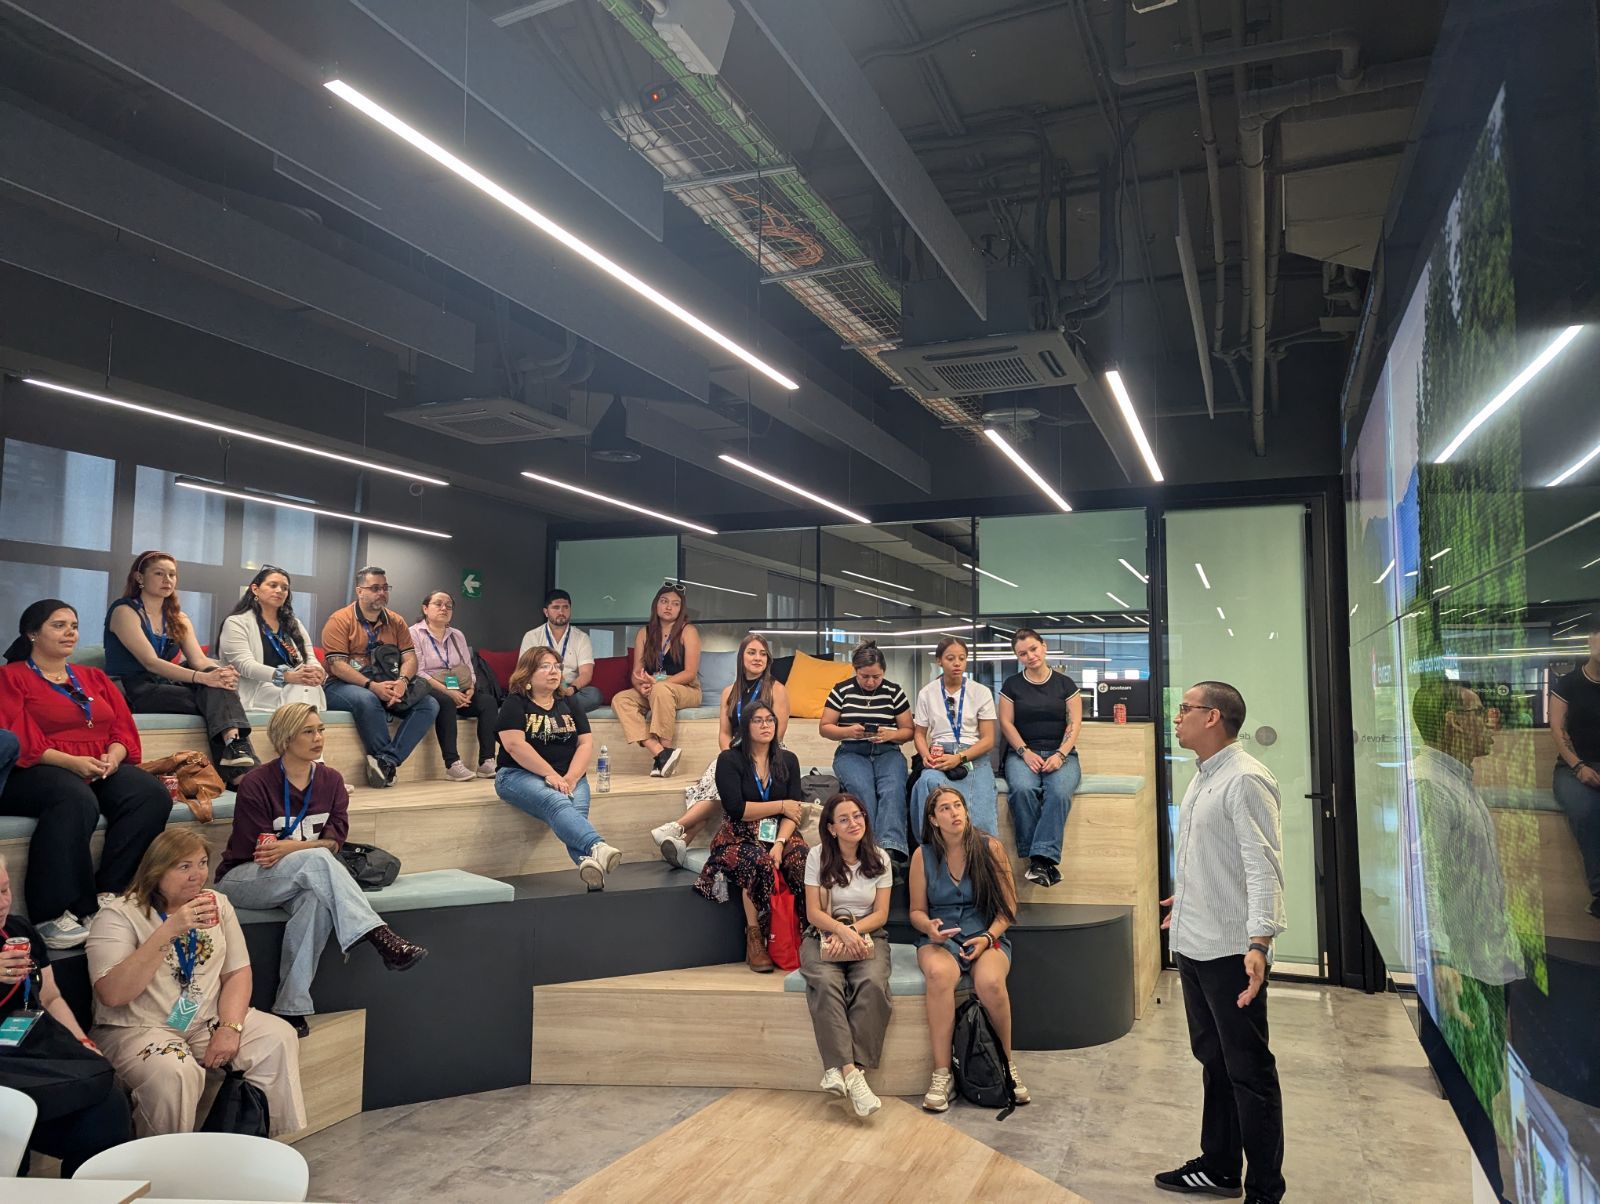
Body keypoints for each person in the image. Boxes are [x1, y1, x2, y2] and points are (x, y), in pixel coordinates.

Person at [214, 703, 427, 1036]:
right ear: (286, 739)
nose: (318, 738)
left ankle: (290, 1007)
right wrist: (302, 850)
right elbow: (264, 853)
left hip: (301, 876)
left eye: (321, 729)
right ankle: (378, 935)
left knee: (316, 901)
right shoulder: (257, 782)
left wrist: (293, 847)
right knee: (316, 861)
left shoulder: (331, 780)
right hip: (245, 877)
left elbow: (335, 842)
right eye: (308, 731)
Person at [86, 829, 306, 1138]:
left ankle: (264, 1145)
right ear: (156, 870)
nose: (197, 875)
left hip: (203, 1021)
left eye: (202, 863)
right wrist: (170, 930)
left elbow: (237, 973)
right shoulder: (119, 915)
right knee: (176, 1072)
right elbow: (113, 993)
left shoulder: (217, 903)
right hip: (136, 1028)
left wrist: (230, 1028)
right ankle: (165, 1165)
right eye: (183, 866)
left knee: (277, 1037)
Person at [1156, 680, 1286, 1204]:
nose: (1177, 717)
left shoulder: (1246, 779)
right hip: (1194, 940)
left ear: (1213, 718)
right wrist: (1184, 898)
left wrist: (1259, 942)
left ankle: (1264, 1189)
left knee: (1249, 1071)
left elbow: (1263, 867)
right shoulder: (1203, 776)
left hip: (1231, 951)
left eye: (1185, 709)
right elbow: (1215, 858)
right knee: (1214, 1059)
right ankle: (1219, 1166)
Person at [0, 600, 170, 949]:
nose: (70, 633)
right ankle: (53, 912)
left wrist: (113, 755)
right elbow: (17, 737)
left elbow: (122, 727)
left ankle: (111, 892)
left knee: (149, 794)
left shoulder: (93, 677)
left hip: (98, 763)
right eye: (58, 625)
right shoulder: (11, 676)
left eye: (74, 626)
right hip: (36, 768)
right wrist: (70, 763)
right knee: (73, 797)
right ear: (33, 633)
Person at [1410, 676, 1523, 1200]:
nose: (1490, 721)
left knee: (1486, 1088)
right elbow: (1424, 876)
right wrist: (1440, 958)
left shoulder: (1457, 779)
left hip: (1481, 961)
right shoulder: (1432, 784)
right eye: (1480, 712)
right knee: (1470, 1100)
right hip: (1463, 971)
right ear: (1455, 722)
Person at [0, 853, 134, 1176]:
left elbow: (51, 996)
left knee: (109, 1108)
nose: (1, 903)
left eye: (4, 890)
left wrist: (81, 1039)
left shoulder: (17, 930)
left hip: (27, 1052)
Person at [907, 784, 1027, 1113]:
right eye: (945, 808)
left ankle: (1006, 1065)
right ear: (933, 819)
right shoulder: (923, 855)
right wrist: (929, 928)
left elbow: (1008, 909)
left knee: (989, 982)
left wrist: (988, 937)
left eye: (958, 805)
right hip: (940, 939)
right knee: (939, 974)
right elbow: (916, 911)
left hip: (986, 935)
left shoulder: (990, 847)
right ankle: (942, 1072)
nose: (954, 812)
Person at [104, 550, 257, 772]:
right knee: (215, 699)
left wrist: (220, 673)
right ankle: (240, 770)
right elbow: (151, 662)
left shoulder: (178, 617)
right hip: (135, 688)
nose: (168, 580)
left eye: (172, 575)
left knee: (217, 689)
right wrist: (205, 677)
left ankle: (235, 749)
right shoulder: (124, 611)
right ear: (139, 578)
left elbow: (198, 659)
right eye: (159, 574)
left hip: (167, 684)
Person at [649, 633, 790, 865]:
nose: (758, 658)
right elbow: (724, 733)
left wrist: (747, 756)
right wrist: (730, 756)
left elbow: (778, 733)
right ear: (741, 657)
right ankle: (682, 842)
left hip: (768, 752)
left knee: (719, 784)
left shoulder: (777, 690)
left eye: (763, 654)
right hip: (735, 751)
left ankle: (678, 828)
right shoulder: (729, 692)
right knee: (721, 775)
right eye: (752, 652)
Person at [693, 702, 807, 972]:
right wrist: (780, 806)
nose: (766, 725)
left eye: (770, 720)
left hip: (780, 831)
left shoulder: (788, 759)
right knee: (759, 862)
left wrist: (780, 843)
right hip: (739, 834)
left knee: (803, 859)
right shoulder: (729, 760)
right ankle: (754, 937)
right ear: (746, 726)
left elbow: (795, 811)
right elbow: (738, 809)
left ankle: (808, 930)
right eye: (758, 720)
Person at [495, 647, 621, 890]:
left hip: (569, 775)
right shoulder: (515, 703)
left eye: (556, 666)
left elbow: (585, 743)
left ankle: (587, 863)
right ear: (527, 673)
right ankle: (598, 847)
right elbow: (514, 746)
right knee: (558, 803)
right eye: (544, 666)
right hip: (517, 775)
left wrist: (572, 777)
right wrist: (550, 775)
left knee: (575, 813)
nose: (553, 671)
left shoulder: (569, 701)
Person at [799, 792, 892, 1120]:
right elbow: (813, 912)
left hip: (867, 933)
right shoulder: (817, 856)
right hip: (823, 934)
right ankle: (853, 1075)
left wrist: (853, 932)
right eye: (844, 819)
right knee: (825, 982)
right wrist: (839, 932)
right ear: (832, 828)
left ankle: (840, 1070)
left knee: (872, 982)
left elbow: (881, 914)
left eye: (858, 816)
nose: (854, 823)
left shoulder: (880, 857)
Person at [320, 566, 441, 789]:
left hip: (388, 681)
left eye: (385, 588)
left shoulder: (396, 621)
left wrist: (402, 682)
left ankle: (386, 761)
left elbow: (411, 659)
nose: (382, 592)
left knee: (429, 704)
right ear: (359, 591)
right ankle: (385, 765)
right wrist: (372, 686)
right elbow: (337, 666)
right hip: (342, 685)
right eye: (375, 588)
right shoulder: (339, 620)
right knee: (367, 699)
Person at [998, 628, 1083, 887]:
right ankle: (1043, 861)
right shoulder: (1012, 685)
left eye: (1033, 649)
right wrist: (1025, 752)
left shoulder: (1065, 684)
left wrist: (1060, 754)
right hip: (1022, 753)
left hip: (1062, 753)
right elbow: (1006, 722)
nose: (1030, 656)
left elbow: (1075, 723)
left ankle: (1038, 860)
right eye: (1022, 653)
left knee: (1058, 792)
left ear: (1043, 647)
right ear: (1017, 657)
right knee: (1023, 789)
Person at [819, 641, 913, 873]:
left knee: (892, 790)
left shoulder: (894, 691)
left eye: (876, 677)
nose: (871, 682)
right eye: (864, 677)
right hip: (852, 752)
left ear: (884, 672)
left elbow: (908, 731)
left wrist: (891, 734)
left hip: (887, 751)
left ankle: (890, 852)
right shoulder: (841, 690)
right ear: (855, 670)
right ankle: (867, 849)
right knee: (863, 793)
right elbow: (825, 727)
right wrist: (848, 731)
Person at [910, 636, 998, 836]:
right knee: (926, 782)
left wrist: (959, 758)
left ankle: (982, 861)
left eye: (962, 658)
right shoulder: (927, 693)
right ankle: (929, 849)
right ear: (939, 661)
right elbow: (920, 734)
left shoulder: (981, 692)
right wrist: (926, 756)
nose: (957, 663)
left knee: (980, 817)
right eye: (950, 658)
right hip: (940, 754)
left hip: (972, 757)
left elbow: (988, 739)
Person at [612, 582, 701, 777]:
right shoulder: (644, 633)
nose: (669, 607)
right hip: (653, 687)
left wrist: (658, 684)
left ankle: (666, 748)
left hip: (686, 688)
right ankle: (661, 753)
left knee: (661, 690)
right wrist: (641, 685)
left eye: (675, 604)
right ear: (656, 605)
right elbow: (637, 672)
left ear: (681, 609)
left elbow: (690, 672)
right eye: (664, 601)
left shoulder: (688, 631)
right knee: (621, 699)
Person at [410, 591, 499, 782]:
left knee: (488, 702)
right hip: (431, 686)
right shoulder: (414, 633)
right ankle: (452, 764)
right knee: (445, 702)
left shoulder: (457, 635)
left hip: (459, 687)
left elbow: (468, 668)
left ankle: (487, 761)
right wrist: (448, 692)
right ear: (425, 608)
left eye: (448, 606)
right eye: (438, 604)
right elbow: (419, 671)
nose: (444, 608)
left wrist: (470, 689)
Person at [216, 565, 327, 713]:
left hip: (296, 685)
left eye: (284, 588)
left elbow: (310, 658)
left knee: (305, 687)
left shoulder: (293, 623)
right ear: (255, 589)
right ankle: (303, 732)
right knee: (302, 691)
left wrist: (317, 672)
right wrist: (287, 677)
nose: (279, 591)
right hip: (257, 689)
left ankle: (298, 732)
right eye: (273, 585)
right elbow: (245, 665)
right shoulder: (237, 622)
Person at [1551, 625, 1600, 919]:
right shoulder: (1568, 683)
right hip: (1572, 767)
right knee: (1585, 809)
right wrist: (1579, 766)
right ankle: (1599, 891)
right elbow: (1557, 728)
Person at [518, 589, 602, 714]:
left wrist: (571, 689)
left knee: (594, 695)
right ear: (546, 612)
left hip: (568, 688)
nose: (561, 612)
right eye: (556, 607)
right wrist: (544, 687)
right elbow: (524, 670)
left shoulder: (581, 637)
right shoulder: (532, 636)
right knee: (518, 696)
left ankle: (549, 710)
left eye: (565, 607)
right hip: (541, 687)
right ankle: (560, 710)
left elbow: (586, 673)